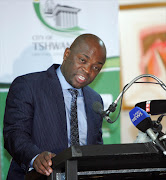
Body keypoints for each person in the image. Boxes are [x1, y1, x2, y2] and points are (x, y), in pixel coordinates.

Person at [3, 33, 107, 179]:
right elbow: (14, 134)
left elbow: (95, 147)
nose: (88, 70)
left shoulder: (94, 100)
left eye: (96, 67)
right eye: (83, 60)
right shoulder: (28, 86)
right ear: (66, 54)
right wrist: (35, 157)